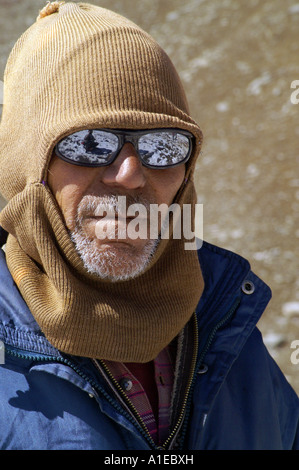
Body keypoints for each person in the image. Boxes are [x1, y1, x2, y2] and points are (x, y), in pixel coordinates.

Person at [0, 1, 297, 451]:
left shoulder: (228, 324)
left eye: (163, 145)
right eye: (89, 143)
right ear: (27, 163)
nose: (131, 174)